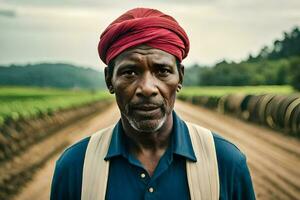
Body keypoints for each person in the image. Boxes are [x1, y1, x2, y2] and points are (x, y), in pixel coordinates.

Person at [50, 8, 255, 200]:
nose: (147, 88)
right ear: (109, 81)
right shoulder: (74, 167)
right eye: (130, 72)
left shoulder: (226, 163)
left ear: (180, 77)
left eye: (162, 71)